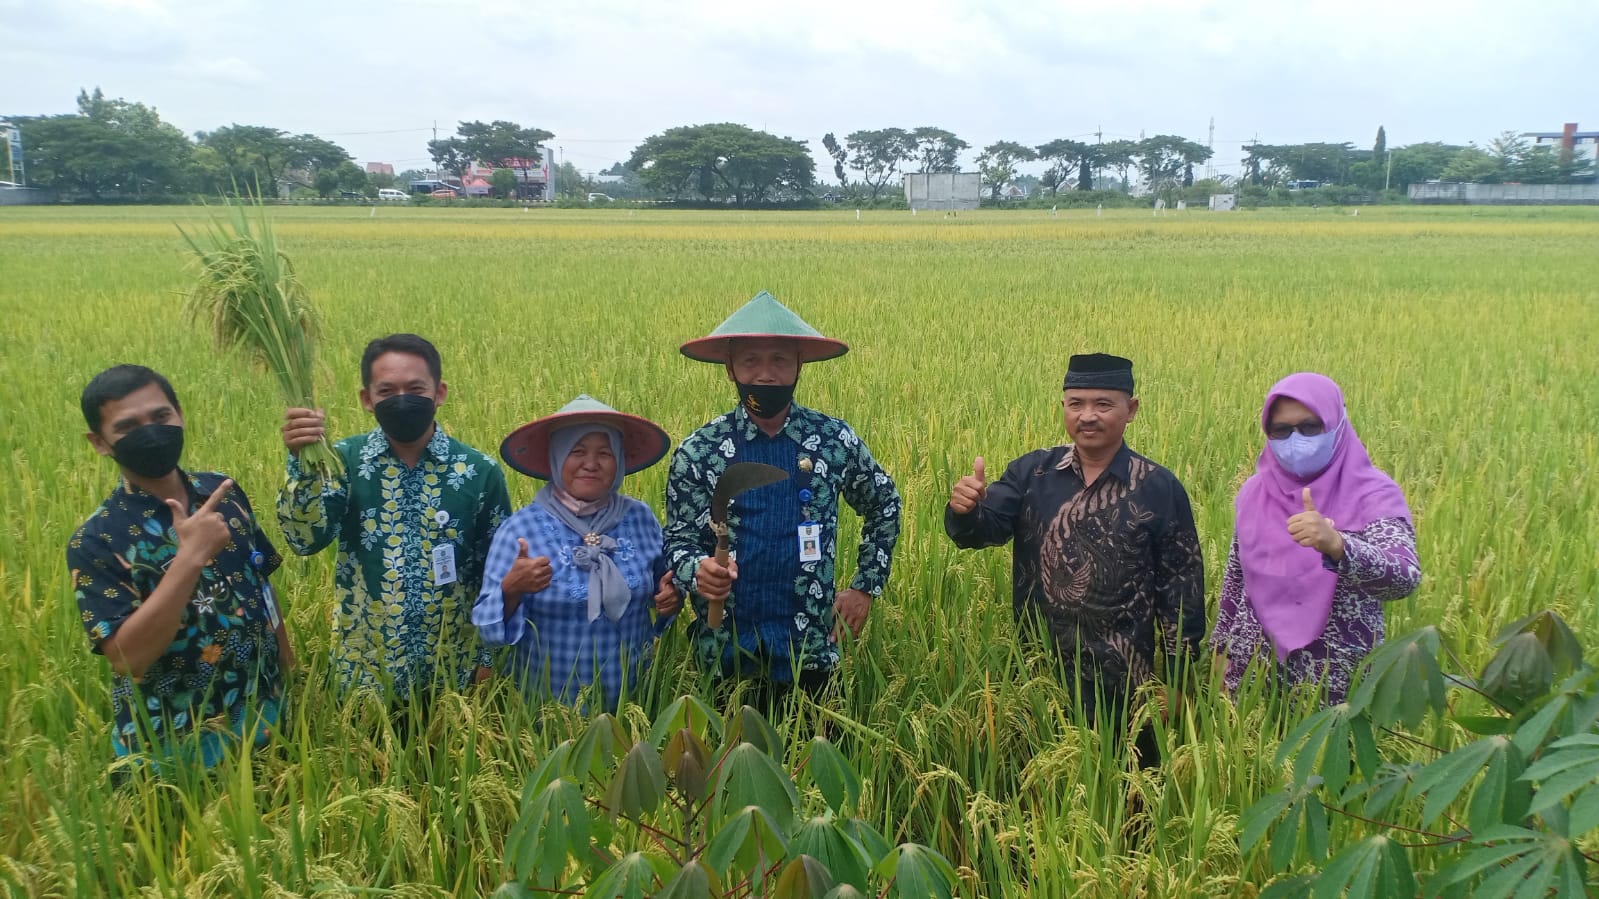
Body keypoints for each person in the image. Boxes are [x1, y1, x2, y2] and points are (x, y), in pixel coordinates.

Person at [944, 353, 1204, 755]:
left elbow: (1181, 587)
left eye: (1103, 404)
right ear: (1062, 407)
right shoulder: (1032, 474)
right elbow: (983, 532)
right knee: (1041, 786)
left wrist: (1176, 679)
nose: (1088, 416)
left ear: (1130, 409)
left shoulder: (1158, 488)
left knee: (1127, 788)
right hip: (1041, 672)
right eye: (1076, 403)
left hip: (1128, 680)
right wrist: (965, 511)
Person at [665, 291, 902, 706]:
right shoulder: (699, 451)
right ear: (729, 368)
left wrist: (864, 587)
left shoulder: (833, 440)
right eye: (751, 361)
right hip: (727, 652)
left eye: (778, 359)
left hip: (812, 649)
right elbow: (677, 541)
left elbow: (885, 502)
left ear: (799, 365)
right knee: (732, 767)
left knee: (820, 763)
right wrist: (695, 571)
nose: (765, 375)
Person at [68, 365, 292, 770]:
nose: (150, 432)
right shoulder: (97, 539)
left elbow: (260, 582)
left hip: (267, 714)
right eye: (128, 426)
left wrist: (288, 667)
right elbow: (127, 657)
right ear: (100, 443)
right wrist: (190, 558)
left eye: (160, 417)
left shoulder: (222, 491)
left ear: (180, 415)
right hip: (175, 746)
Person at [277, 334, 512, 702]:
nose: (402, 400)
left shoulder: (478, 472)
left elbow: (496, 574)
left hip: (454, 672)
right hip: (367, 673)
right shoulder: (342, 463)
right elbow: (305, 540)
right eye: (387, 391)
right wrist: (302, 464)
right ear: (367, 400)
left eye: (415, 388)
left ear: (439, 393)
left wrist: (486, 658)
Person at [1210, 373, 1419, 705]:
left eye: (1309, 427)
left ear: (1336, 425)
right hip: (1253, 676)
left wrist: (1339, 545)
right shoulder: (1255, 492)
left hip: (1336, 683)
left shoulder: (1372, 494)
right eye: (1282, 430)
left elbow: (1404, 578)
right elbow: (1236, 578)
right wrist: (1221, 650)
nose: (1295, 440)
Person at [473, 395, 682, 711]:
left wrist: (669, 598)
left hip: (633, 704)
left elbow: (662, 586)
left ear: (620, 460)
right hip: (546, 713)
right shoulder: (521, 529)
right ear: (557, 457)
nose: (591, 463)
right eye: (577, 451)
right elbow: (488, 629)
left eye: (605, 452)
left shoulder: (639, 517)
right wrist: (511, 588)